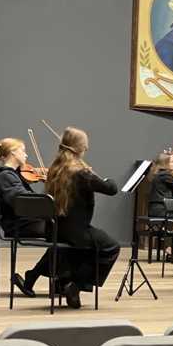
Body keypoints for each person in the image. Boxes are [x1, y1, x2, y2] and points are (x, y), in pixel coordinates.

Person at [44, 127, 120, 308]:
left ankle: (65, 282)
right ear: (80, 148)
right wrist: (107, 179)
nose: (87, 149)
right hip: (76, 231)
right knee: (111, 247)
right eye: (85, 146)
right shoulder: (81, 173)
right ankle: (75, 285)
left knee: (84, 249)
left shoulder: (55, 169)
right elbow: (111, 189)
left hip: (55, 229)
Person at [0, 138, 51, 298]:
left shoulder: (14, 175)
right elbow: (23, 202)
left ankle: (43, 277)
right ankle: (55, 279)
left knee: (69, 232)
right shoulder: (5, 176)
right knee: (66, 232)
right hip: (19, 224)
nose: (26, 155)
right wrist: (47, 200)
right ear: (13, 153)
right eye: (23, 151)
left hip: (27, 221)